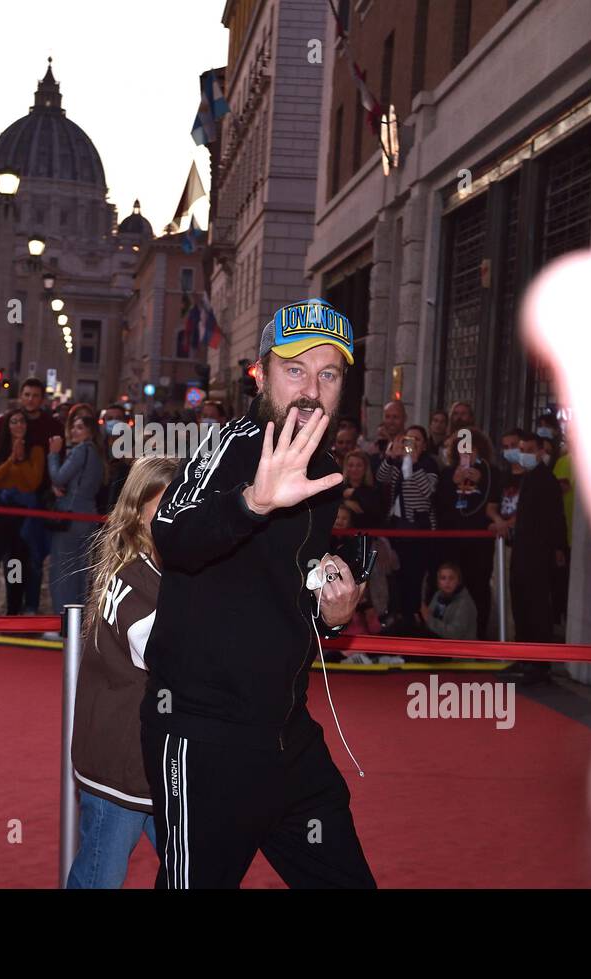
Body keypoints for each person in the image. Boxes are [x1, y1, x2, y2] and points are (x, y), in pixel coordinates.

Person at [142, 297, 375, 889]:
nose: (311, 388)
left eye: (328, 374)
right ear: (262, 373)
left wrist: (333, 614)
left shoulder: (322, 467)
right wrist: (253, 502)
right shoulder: (236, 443)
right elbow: (174, 536)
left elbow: (277, 584)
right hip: (205, 735)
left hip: (289, 736)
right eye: (294, 369)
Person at [67, 456, 179, 888]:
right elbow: (170, 657)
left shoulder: (156, 569)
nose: (179, 512)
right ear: (138, 511)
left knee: (192, 867)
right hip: (122, 764)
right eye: (166, 503)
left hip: (153, 760)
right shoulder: (134, 580)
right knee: (99, 877)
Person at [503, 433, 566, 669]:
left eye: (529, 450)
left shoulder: (546, 481)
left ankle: (538, 665)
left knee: (536, 608)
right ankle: (523, 657)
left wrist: (557, 548)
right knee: (521, 605)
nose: (525, 455)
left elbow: (556, 519)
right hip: (522, 551)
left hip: (538, 555)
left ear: (540, 452)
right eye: (523, 450)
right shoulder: (528, 478)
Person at [433, 428, 501, 639]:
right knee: (450, 587)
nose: (467, 455)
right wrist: (451, 482)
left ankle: (479, 637)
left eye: (471, 450)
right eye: (462, 450)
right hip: (451, 541)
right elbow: (437, 506)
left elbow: (495, 503)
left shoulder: (492, 473)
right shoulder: (446, 474)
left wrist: (482, 480)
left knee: (478, 587)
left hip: (478, 544)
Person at [0, 409, 44, 615]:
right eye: (13, 422)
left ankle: (13, 611)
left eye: (21, 421)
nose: (18, 425)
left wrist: (22, 459)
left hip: (22, 516)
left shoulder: (36, 451)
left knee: (16, 565)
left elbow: (33, 482)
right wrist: (11, 460)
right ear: (7, 426)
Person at [376, 424, 440, 634]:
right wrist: (389, 457)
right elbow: (381, 478)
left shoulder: (428, 464)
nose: (411, 445)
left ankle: (413, 622)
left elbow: (427, 492)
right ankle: (398, 619)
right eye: (408, 440)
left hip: (418, 531)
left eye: (417, 440)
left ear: (424, 445)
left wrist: (412, 466)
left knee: (414, 578)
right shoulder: (397, 462)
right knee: (397, 578)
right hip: (396, 530)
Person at [47, 412, 105, 612]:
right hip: (89, 516)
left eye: (79, 427)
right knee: (81, 571)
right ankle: (77, 622)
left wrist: (53, 454)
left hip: (71, 516)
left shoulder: (81, 450)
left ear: (90, 431)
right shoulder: (98, 454)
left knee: (63, 569)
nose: (73, 430)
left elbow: (59, 477)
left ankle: (62, 622)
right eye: (73, 426)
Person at [418, 562, 478, 640]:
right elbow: (430, 619)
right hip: (440, 643)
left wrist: (428, 619)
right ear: (438, 582)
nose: (447, 582)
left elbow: (454, 634)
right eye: (443, 578)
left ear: (458, 581)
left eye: (451, 578)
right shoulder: (438, 595)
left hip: (461, 647)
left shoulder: (464, 603)